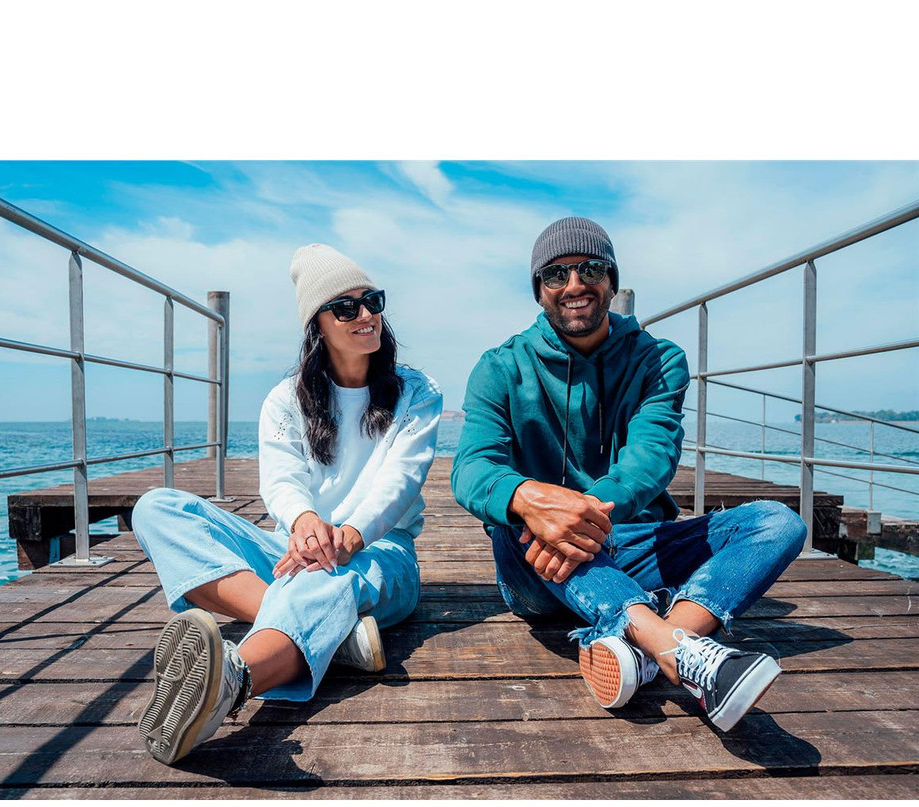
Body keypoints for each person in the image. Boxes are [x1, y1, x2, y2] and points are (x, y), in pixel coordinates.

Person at [451, 217, 807, 732]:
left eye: (590, 268)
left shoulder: (659, 361)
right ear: (539, 291)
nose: (574, 285)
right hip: (536, 563)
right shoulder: (499, 367)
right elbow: (472, 467)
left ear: (612, 281)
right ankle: (676, 646)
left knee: (777, 523)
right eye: (556, 275)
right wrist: (531, 500)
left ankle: (650, 650)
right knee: (513, 515)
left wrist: (585, 514)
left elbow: (652, 453)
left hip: (630, 539)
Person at [132, 243, 443, 764]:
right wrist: (304, 523)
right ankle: (330, 634)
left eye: (372, 301)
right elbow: (281, 480)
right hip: (293, 547)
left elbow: (402, 480)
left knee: (324, 576)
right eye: (345, 307)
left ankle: (233, 679)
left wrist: (349, 535)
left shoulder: (417, 391)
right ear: (317, 324)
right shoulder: (286, 399)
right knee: (157, 509)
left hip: (382, 551)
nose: (365, 315)